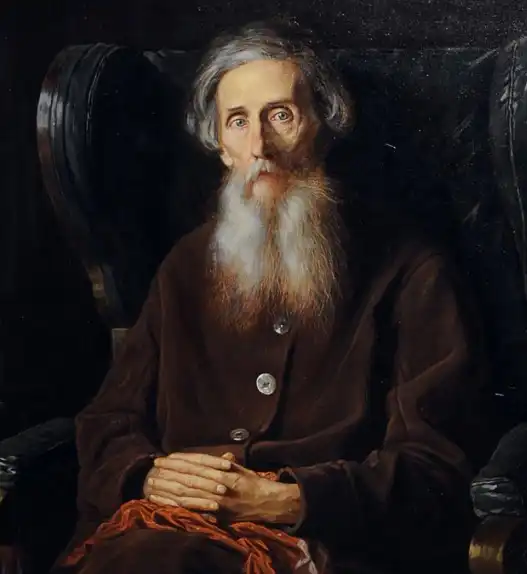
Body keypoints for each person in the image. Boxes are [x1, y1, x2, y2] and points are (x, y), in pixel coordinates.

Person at [53, 20, 491, 574]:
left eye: (280, 115)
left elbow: (437, 465)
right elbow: (108, 418)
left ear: (324, 127)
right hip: (170, 530)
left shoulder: (410, 268)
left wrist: (290, 500)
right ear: (221, 148)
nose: (259, 146)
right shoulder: (187, 265)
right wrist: (146, 474)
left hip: (327, 547)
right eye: (238, 122)